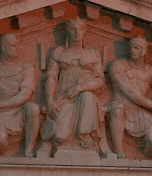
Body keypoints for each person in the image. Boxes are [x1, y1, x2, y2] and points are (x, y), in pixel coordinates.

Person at [39, 18, 109, 157]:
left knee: (87, 96)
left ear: (85, 32)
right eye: (73, 29)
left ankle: (85, 137)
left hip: (84, 100)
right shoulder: (58, 52)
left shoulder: (93, 53)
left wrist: (79, 88)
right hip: (64, 99)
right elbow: (51, 77)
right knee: (60, 137)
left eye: (81, 29)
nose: (77, 33)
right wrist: (49, 101)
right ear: (67, 31)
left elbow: (100, 80)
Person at [105, 36, 152, 158]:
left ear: (143, 51)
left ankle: (141, 162)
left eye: (136, 48)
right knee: (117, 109)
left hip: (140, 111)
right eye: (131, 47)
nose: (131, 50)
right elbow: (129, 91)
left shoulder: (150, 70)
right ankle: (118, 151)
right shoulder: (117, 65)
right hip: (121, 108)